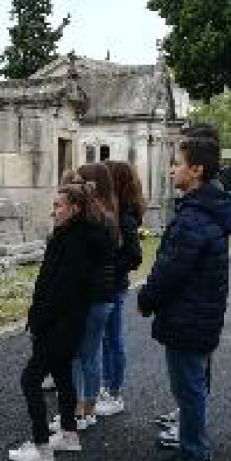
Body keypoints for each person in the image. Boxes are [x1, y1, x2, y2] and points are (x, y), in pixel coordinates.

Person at [137, 135, 231, 461]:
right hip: (201, 313)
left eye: (177, 163)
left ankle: (193, 460)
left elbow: (170, 269)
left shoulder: (194, 215)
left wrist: (146, 298)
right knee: (195, 384)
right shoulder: (208, 208)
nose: (171, 169)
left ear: (196, 170)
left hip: (188, 316)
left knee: (189, 388)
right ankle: (192, 449)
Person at [8, 183, 106, 461]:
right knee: (63, 377)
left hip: (58, 324)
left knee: (30, 380)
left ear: (74, 208)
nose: (54, 211)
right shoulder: (74, 235)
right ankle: (69, 434)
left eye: (58, 206)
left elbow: (59, 289)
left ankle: (41, 446)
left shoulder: (74, 240)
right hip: (66, 323)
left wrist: (38, 321)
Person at [96, 160, 145, 416]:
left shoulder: (124, 213)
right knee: (106, 338)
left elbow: (135, 255)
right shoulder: (119, 210)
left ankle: (114, 391)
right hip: (111, 283)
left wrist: (110, 270)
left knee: (112, 339)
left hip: (113, 285)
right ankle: (106, 385)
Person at [71, 163, 117, 429]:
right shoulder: (109, 217)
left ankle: (80, 409)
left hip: (90, 296)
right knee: (91, 353)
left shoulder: (90, 220)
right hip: (103, 295)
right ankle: (88, 408)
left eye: (79, 183)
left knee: (81, 354)